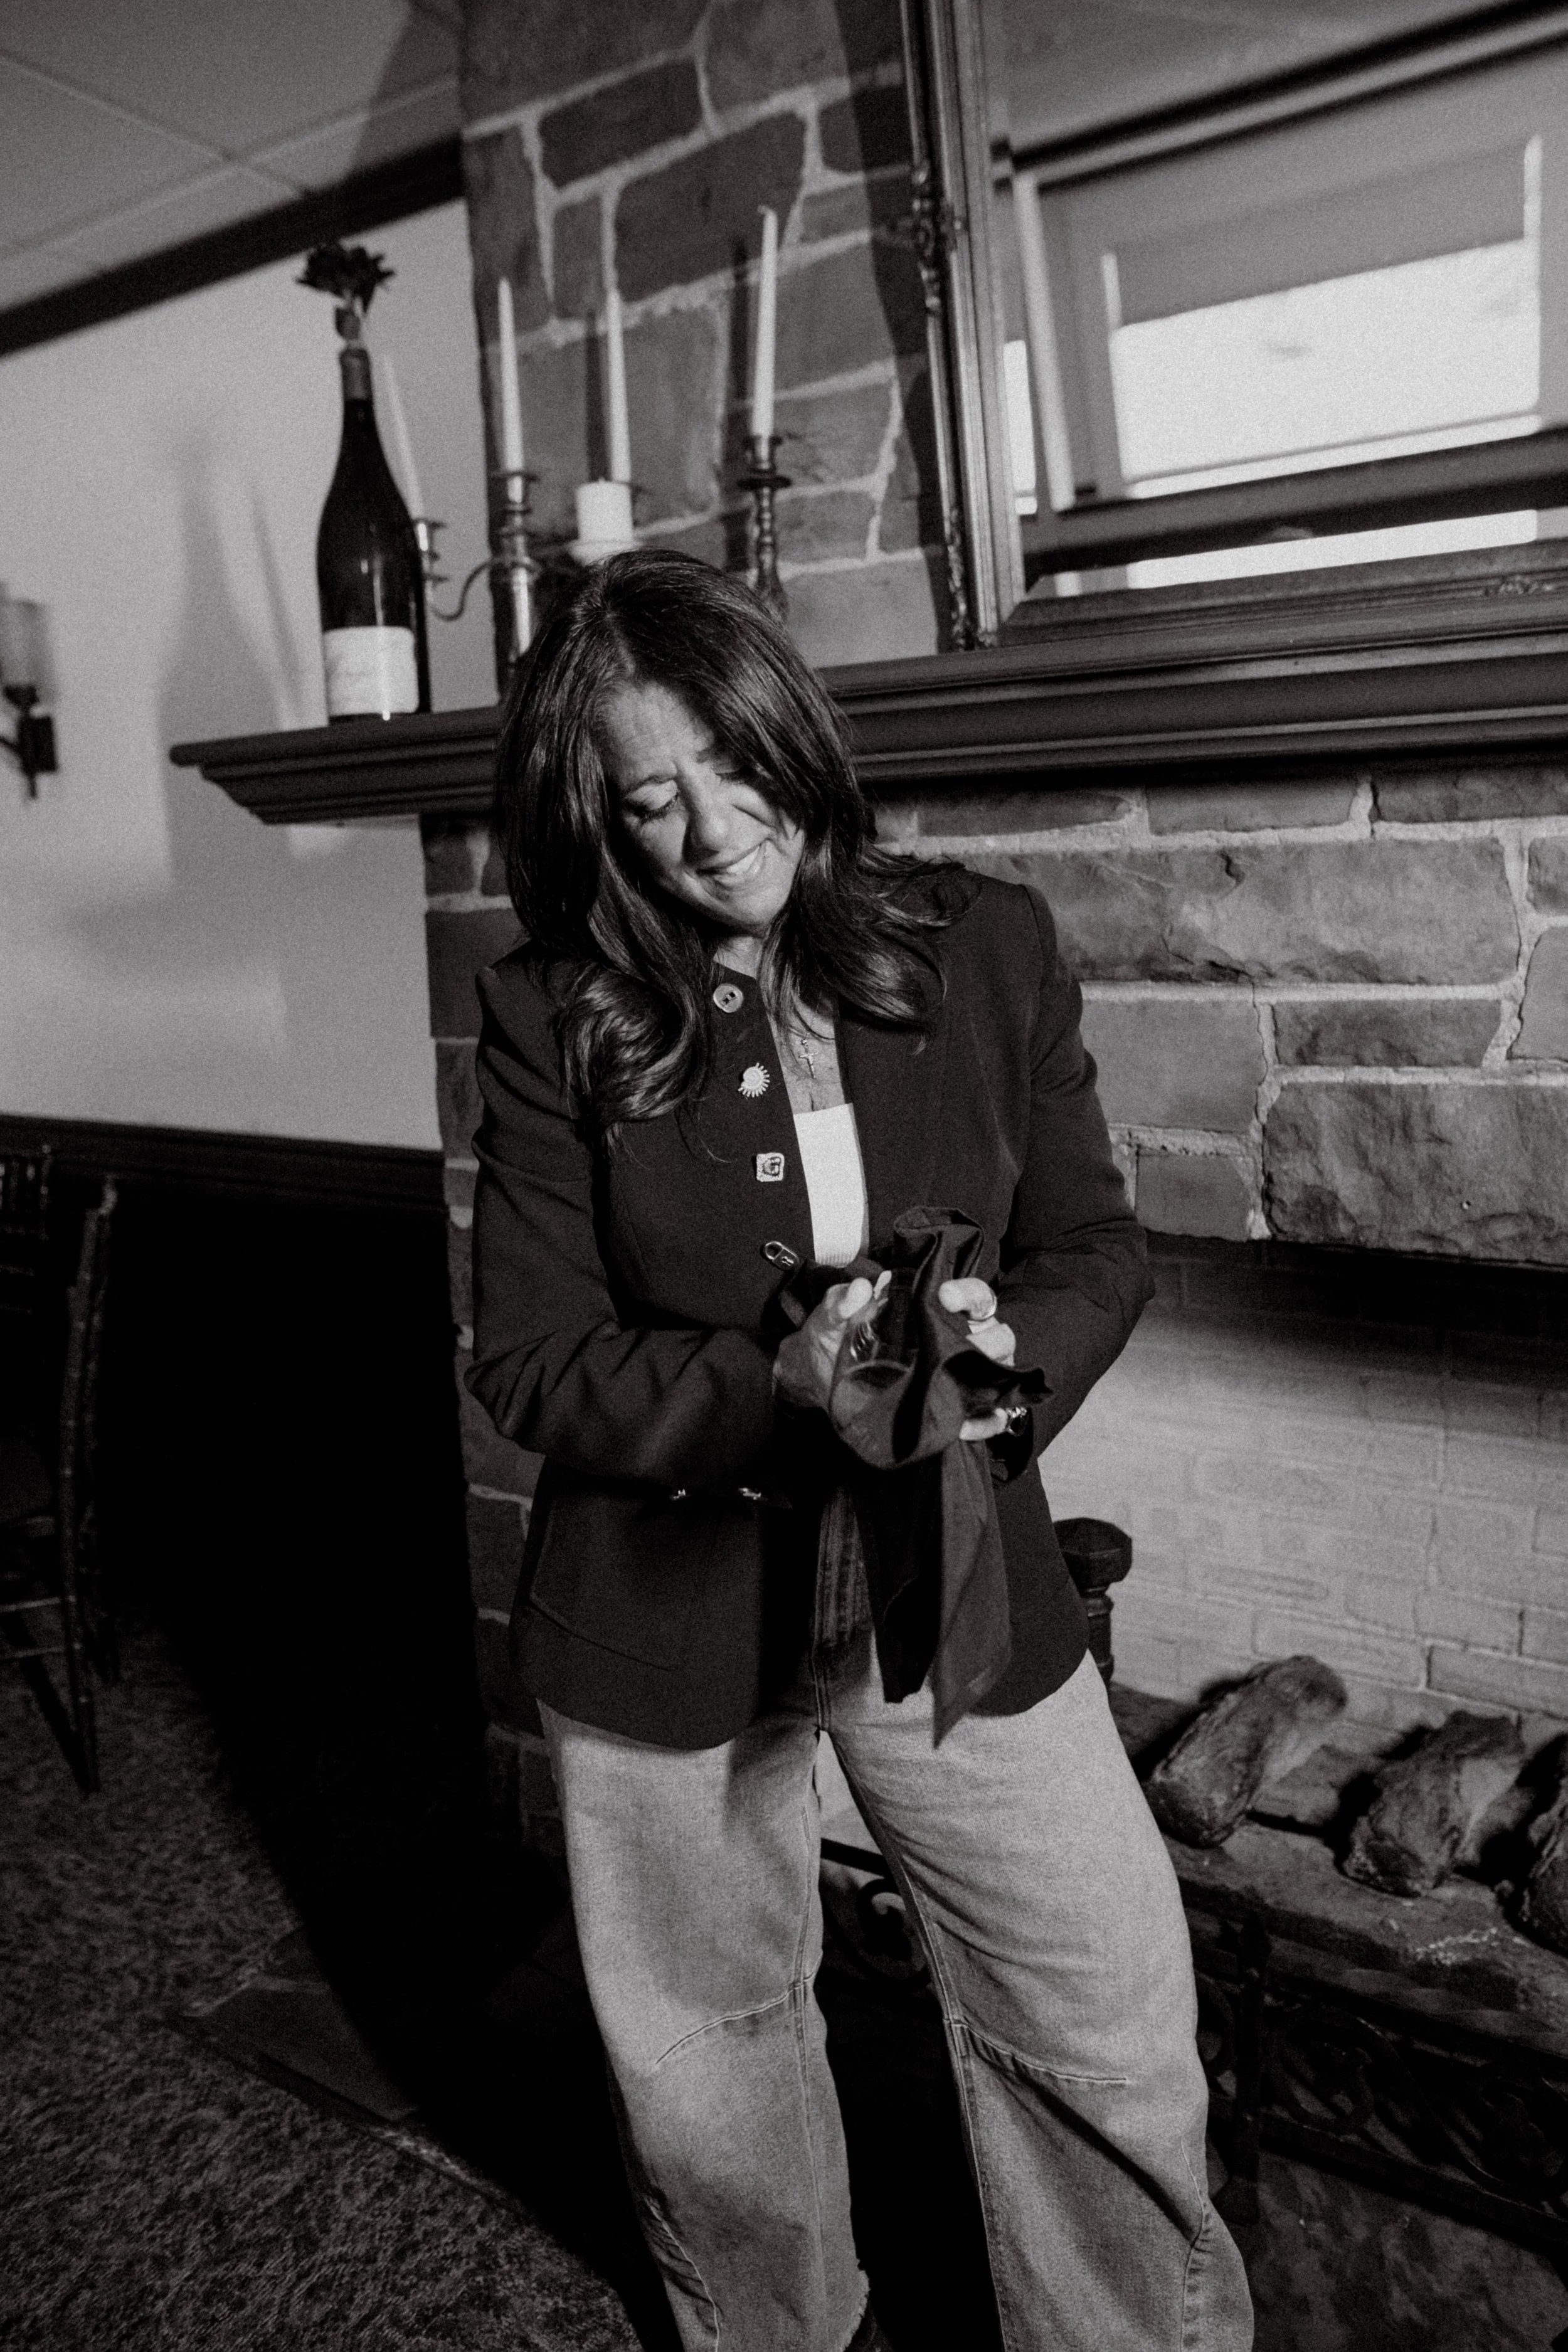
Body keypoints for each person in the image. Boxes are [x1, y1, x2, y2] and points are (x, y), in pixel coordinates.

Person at [469, 548, 1253, 2352]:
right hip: (660, 1615)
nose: (702, 830)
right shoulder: (548, 1012)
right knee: (708, 2051)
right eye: (642, 800)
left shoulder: (986, 942)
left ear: (789, 735)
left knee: (1103, 2006)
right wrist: (773, 1389)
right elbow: (526, 1358)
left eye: (726, 768)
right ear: (594, 824)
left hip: (951, 1577)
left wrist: (991, 1373)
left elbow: (1093, 1250)